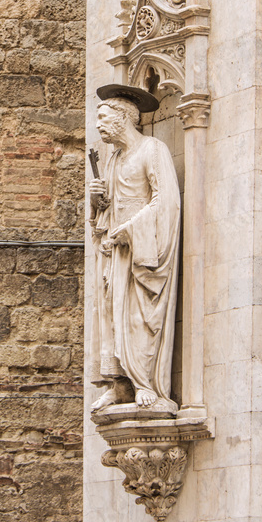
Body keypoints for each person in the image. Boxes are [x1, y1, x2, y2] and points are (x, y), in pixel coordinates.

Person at [89, 84, 180, 414]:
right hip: (114, 251)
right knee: (110, 315)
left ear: (123, 117)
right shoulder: (112, 159)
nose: (97, 124)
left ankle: (145, 383)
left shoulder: (152, 149)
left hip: (141, 248)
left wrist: (130, 230)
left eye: (103, 117)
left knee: (138, 317)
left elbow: (166, 201)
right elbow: (102, 215)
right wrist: (96, 201)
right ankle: (119, 385)